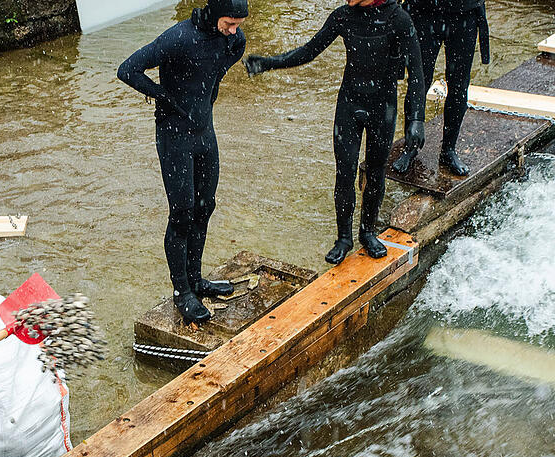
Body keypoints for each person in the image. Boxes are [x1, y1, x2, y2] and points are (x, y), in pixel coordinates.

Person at [244, 0, 425, 265]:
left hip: (382, 107)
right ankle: (343, 238)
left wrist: (416, 119)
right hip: (349, 104)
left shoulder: (398, 19)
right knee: (345, 172)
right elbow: (309, 51)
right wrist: (270, 63)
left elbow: (417, 74)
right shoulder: (343, 16)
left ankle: (367, 232)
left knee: (375, 173)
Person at [117, 0, 248, 325]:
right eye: (230, 23)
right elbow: (128, 69)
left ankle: (197, 279)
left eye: (237, 24)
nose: (235, 30)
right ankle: (182, 293)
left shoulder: (233, 39)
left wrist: (211, 87)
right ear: (216, 12)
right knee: (182, 213)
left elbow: (222, 61)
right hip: (174, 135)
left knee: (205, 206)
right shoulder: (178, 38)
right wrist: (164, 96)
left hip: (205, 132)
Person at [391, 0, 489, 176]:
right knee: (418, 81)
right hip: (423, 12)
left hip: (464, 14)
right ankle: (410, 148)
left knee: (459, 86)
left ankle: (449, 150)